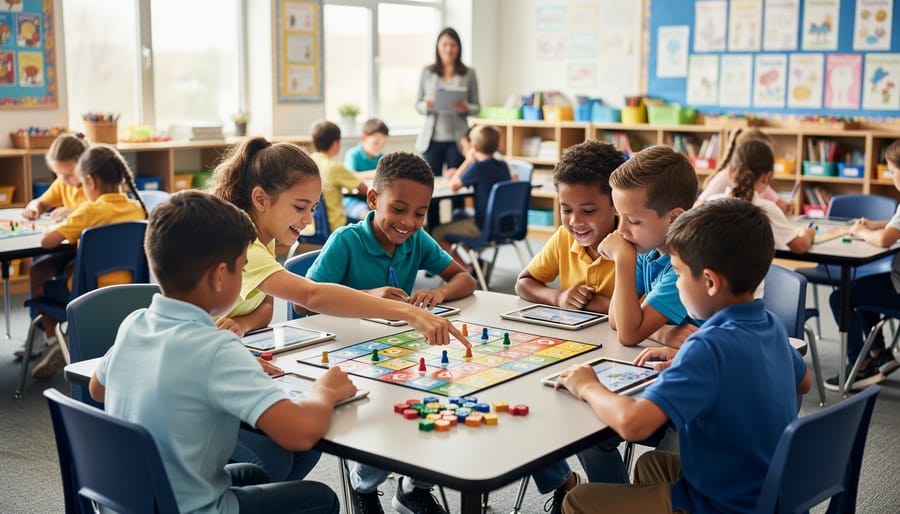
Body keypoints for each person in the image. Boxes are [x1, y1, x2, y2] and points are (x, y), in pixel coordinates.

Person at [89, 191, 354, 514]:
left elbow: (97, 388)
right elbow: (300, 433)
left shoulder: (134, 323)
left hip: (133, 501)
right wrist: (325, 391)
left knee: (255, 475)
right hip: (190, 509)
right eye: (242, 269)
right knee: (320, 498)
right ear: (218, 276)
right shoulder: (218, 350)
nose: (244, 278)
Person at [558, 199, 812, 514]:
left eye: (678, 274)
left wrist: (587, 385)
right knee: (652, 465)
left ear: (709, 282)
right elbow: (803, 382)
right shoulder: (769, 324)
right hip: (765, 488)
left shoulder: (706, 347)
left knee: (578, 502)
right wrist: (708, 373)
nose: (676, 284)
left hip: (724, 505)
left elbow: (633, 425)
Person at [307, 152, 476, 514]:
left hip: (404, 351)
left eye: (419, 213)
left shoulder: (417, 240)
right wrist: (369, 296)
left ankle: (414, 488)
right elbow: (307, 301)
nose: (409, 222)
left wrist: (440, 291)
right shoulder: (346, 241)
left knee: (442, 399)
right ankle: (364, 488)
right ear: (372, 199)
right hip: (351, 357)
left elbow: (465, 278)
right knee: (382, 417)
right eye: (398, 209)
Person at [209, 136, 467, 344]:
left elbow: (266, 305)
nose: (309, 220)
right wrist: (411, 313)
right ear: (261, 200)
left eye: (312, 208)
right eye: (300, 207)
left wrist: (242, 323)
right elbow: (310, 295)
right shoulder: (243, 246)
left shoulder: (264, 238)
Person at [31, 144, 148, 379]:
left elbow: (47, 241)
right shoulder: (137, 208)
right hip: (132, 290)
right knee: (69, 266)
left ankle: (57, 339)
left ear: (91, 182)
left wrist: (59, 222)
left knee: (40, 285)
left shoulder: (89, 211)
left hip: (88, 294)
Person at [598, 145, 700, 348]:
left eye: (634, 221)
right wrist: (663, 333)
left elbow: (628, 335)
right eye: (620, 218)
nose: (621, 231)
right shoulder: (648, 251)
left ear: (674, 218)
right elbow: (615, 318)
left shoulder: (686, 266)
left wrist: (623, 259)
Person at [825, 139, 900, 391]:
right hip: (894, 282)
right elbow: (893, 224)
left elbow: (885, 239)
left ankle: (860, 362)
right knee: (859, 288)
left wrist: (862, 231)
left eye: (892, 171)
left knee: (841, 298)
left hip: (898, 288)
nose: (891, 177)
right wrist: (875, 223)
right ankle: (880, 353)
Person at [516, 140, 624, 313]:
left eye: (588, 211)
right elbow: (523, 283)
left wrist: (592, 303)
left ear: (617, 204)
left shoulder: (636, 246)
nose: (574, 221)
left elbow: (641, 312)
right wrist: (558, 297)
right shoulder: (564, 237)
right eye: (566, 209)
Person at [15, 133, 89, 360]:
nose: (63, 179)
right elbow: (42, 200)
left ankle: (53, 339)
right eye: (58, 174)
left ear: (85, 164)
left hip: (85, 256)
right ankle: (49, 338)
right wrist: (35, 206)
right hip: (71, 249)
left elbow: (91, 210)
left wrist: (71, 212)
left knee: (45, 280)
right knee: (37, 270)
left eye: (68, 174)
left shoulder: (94, 185)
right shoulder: (63, 183)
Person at [709, 140, 815, 254]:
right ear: (767, 177)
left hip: (713, 271)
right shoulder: (767, 209)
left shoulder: (711, 203)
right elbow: (800, 246)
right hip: (755, 272)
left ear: (729, 172)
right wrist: (808, 233)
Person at [431, 125, 510, 268]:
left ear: (475, 147)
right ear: (498, 145)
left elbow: (453, 185)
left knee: (436, 232)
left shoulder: (477, 167)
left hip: (482, 227)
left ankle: (467, 269)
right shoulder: (503, 165)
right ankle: (479, 264)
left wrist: (468, 160)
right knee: (459, 218)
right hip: (503, 225)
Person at [415, 27, 480, 177]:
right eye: (445, 45)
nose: (449, 49)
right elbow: (418, 104)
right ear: (438, 47)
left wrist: (466, 107)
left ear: (459, 47)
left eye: (453, 45)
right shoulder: (428, 72)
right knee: (429, 185)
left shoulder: (469, 73)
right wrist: (426, 105)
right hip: (432, 140)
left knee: (458, 183)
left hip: (458, 140)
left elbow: (477, 106)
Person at [694, 127, 792, 213]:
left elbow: (778, 203)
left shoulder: (759, 181)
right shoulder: (724, 178)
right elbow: (698, 207)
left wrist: (786, 206)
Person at [310, 120, 369, 230]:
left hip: (313, 226)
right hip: (335, 226)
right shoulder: (334, 167)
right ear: (335, 143)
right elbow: (364, 189)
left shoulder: (310, 161)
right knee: (368, 223)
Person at [342, 118, 390, 221]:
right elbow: (350, 175)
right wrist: (376, 173)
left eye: (383, 144)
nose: (380, 147)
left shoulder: (382, 157)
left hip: (374, 199)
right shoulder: (353, 154)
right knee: (368, 215)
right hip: (353, 200)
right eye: (376, 143)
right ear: (364, 138)